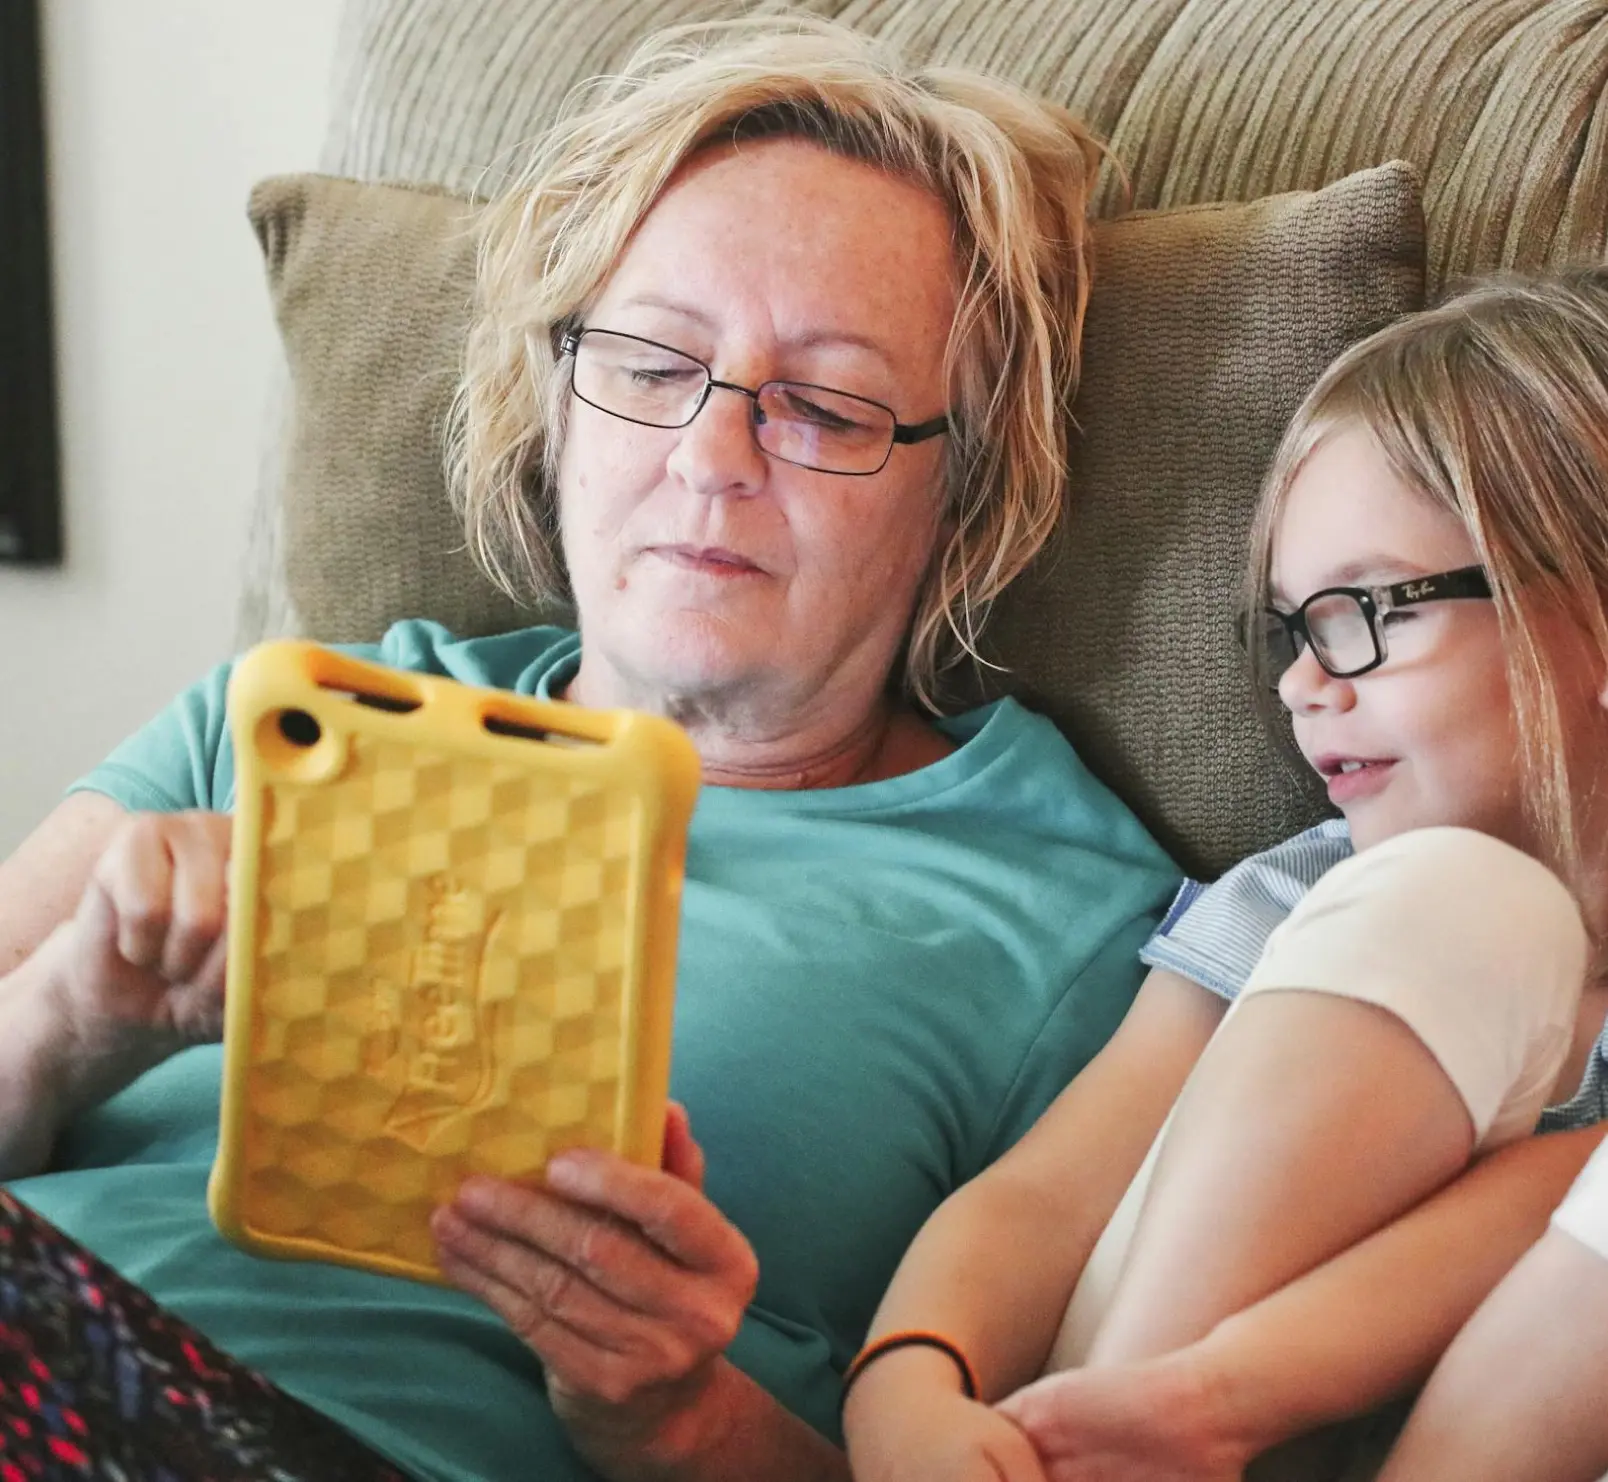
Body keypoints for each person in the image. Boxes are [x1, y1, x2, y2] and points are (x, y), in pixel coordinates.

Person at [0, 15, 1180, 1482]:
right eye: (648, 359)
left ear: (966, 486)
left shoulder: (1075, 926)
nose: (711, 454)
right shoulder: (286, 721)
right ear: (553, 403)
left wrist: (672, 1414)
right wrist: (62, 1019)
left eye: (825, 404)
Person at [841, 270, 1608, 1482]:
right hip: (1097, 1408)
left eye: (1364, 609)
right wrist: (908, 1390)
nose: (1306, 682)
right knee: (1459, 905)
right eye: (1294, 628)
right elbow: (1041, 1199)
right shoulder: (1303, 894)